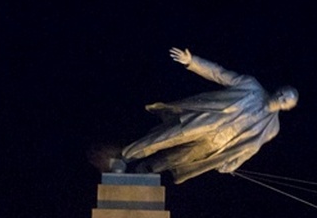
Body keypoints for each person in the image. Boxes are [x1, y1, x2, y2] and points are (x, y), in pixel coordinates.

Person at [121, 47, 298, 184]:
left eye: (285, 101)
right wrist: (192, 61)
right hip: (206, 122)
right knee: (164, 137)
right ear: (278, 90)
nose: (281, 98)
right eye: (282, 93)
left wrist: (233, 164)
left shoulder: (273, 128)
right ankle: (126, 156)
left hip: (215, 145)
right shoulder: (251, 86)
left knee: (173, 159)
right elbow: (219, 74)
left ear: (287, 108)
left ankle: (143, 171)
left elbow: (251, 148)